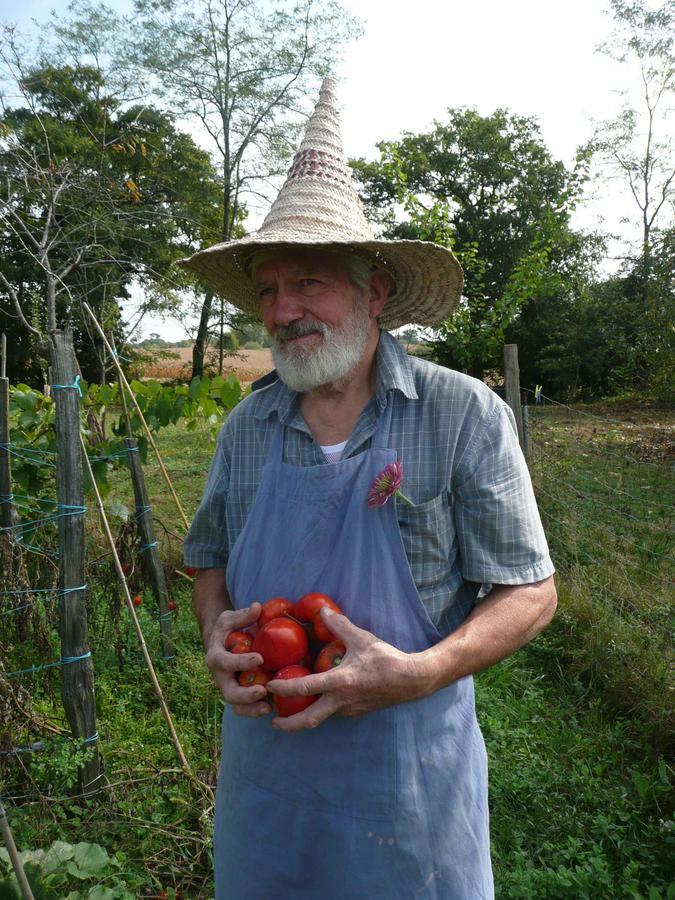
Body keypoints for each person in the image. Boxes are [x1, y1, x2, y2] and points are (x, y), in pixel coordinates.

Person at [181, 78, 556, 900]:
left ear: (374, 293)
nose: (282, 310)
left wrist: (421, 673)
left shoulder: (459, 414)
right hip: (266, 780)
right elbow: (208, 558)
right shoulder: (248, 427)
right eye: (269, 289)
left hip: (408, 784)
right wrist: (216, 635)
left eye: (308, 282)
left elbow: (529, 592)